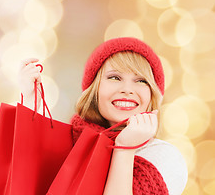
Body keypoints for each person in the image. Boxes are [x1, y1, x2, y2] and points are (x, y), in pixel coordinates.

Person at [18, 37, 188, 195]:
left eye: (141, 80)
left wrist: (124, 148)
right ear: (95, 89)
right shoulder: (69, 145)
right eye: (115, 77)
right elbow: (26, 182)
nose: (127, 89)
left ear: (152, 94)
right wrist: (30, 105)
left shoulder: (164, 157)